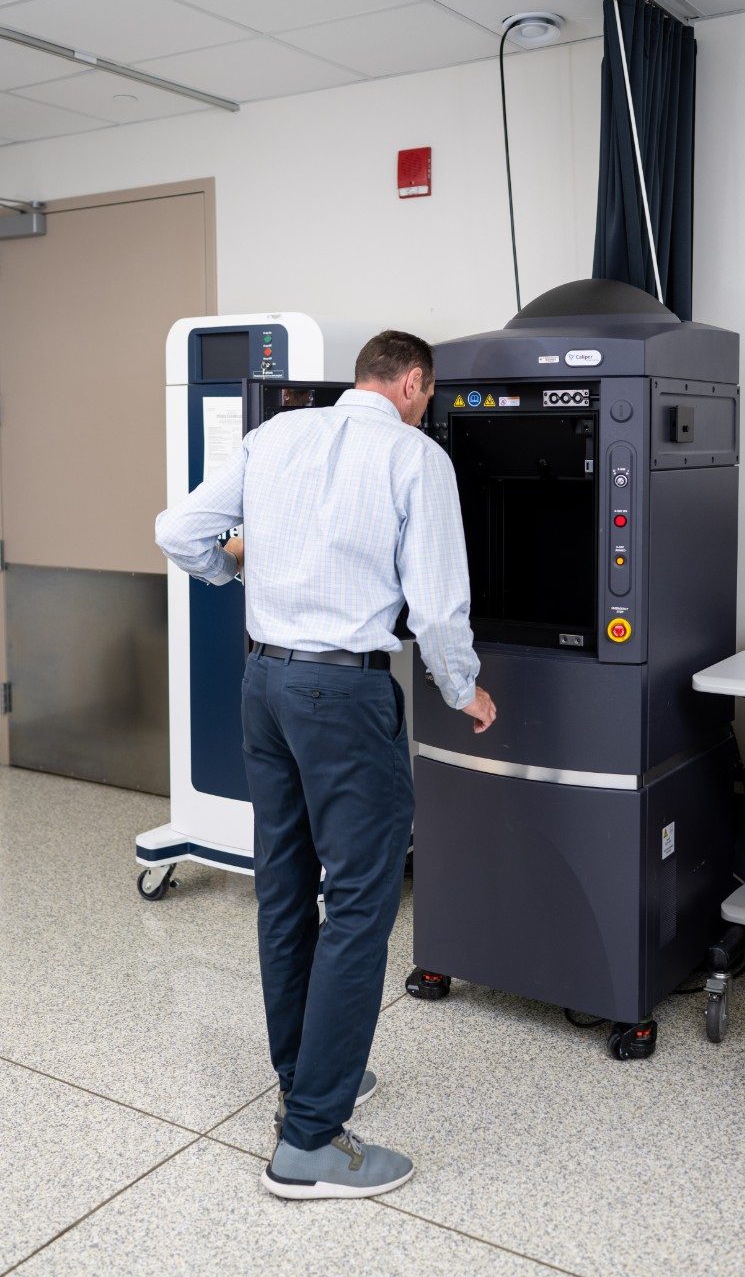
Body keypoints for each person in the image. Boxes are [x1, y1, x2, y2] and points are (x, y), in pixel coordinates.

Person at [155, 329, 496, 1201]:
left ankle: (302, 1077)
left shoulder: (276, 436)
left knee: (285, 884)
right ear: (413, 382)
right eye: (430, 394)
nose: (428, 407)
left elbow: (178, 531)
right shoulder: (415, 458)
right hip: (342, 698)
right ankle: (309, 1141)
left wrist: (229, 569)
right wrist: (464, 692)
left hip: (263, 683)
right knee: (357, 903)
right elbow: (438, 604)